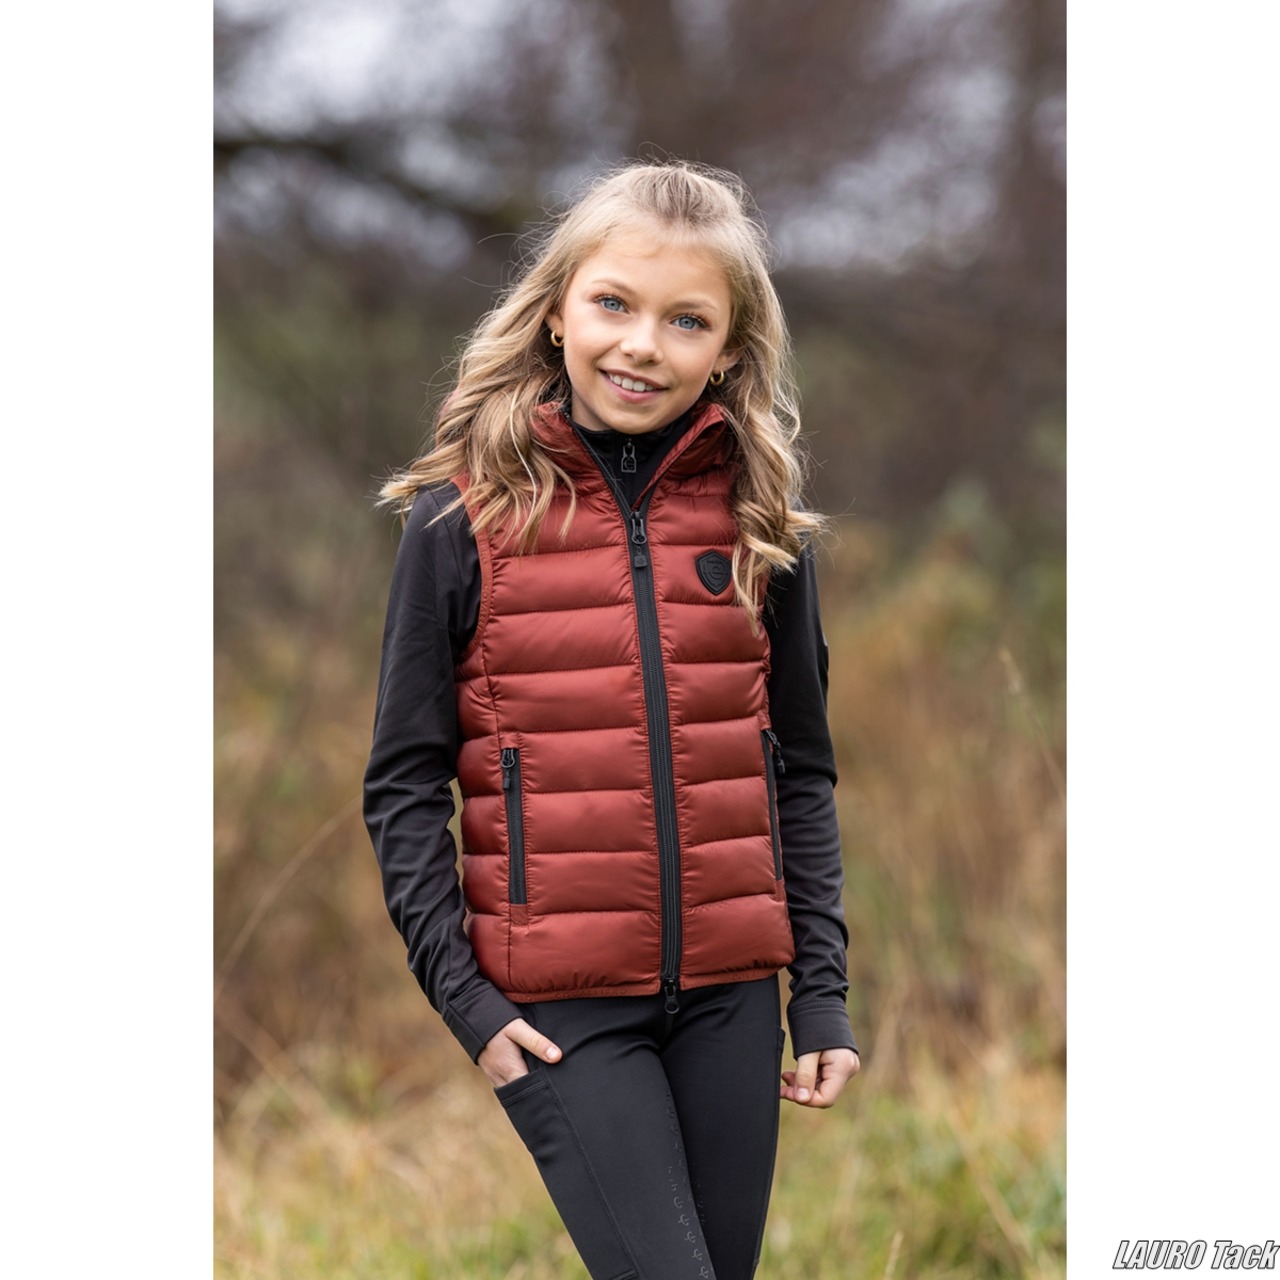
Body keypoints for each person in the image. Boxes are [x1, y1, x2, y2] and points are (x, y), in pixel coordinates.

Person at [364, 160, 860, 1280]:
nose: (643, 344)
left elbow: (799, 770)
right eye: (613, 304)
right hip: (559, 1010)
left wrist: (820, 996)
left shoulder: (759, 522)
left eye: (686, 319)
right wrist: (466, 1000)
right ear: (557, 312)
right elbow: (401, 783)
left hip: (733, 1000)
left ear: (727, 349)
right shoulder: (461, 520)